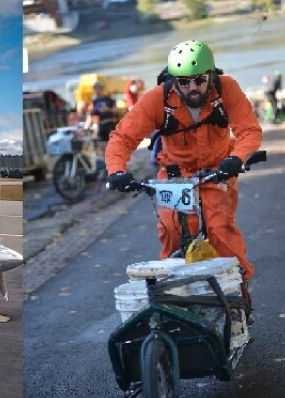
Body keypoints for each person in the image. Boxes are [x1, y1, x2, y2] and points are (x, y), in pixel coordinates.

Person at [105, 40, 262, 312]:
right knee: (172, 233)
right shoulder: (158, 99)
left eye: (199, 80)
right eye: (184, 82)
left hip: (218, 171)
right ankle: (173, 305)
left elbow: (250, 131)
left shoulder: (227, 89)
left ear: (211, 75)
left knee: (220, 230)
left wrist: (236, 158)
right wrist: (116, 170)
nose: (192, 87)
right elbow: (122, 137)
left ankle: (238, 297)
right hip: (176, 176)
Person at [84, 81, 117, 156]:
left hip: (109, 124)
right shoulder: (95, 101)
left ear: (101, 89)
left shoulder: (108, 99)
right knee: (101, 146)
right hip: (100, 125)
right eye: (95, 89)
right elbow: (91, 115)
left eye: (97, 89)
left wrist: (107, 109)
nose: (96, 91)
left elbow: (116, 110)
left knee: (110, 146)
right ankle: (108, 164)